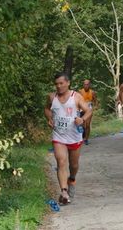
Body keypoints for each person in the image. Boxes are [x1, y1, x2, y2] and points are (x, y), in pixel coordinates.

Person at [44, 72, 92, 204]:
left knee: (74, 165)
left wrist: (82, 119)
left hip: (74, 137)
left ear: (68, 83)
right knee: (61, 162)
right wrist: (49, 118)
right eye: (56, 84)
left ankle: (72, 179)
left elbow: (88, 110)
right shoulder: (51, 97)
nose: (59, 86)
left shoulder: (76, 97)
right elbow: (47, 109)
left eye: (61, 83)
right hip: (59, 136)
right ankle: (64, 192)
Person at [79, 79, 97, 145]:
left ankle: (86, 139)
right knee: (81, 124)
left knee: (87, 125)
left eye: (87, 84)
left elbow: (95, 101)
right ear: (83, 85)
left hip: (89, 109)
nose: (86, 86)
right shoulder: (80, 92)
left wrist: (95, 107)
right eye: (85, 84)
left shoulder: (92, 92)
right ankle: (81, 137)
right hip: (81, 109)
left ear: (89, 85)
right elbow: (77, 101)